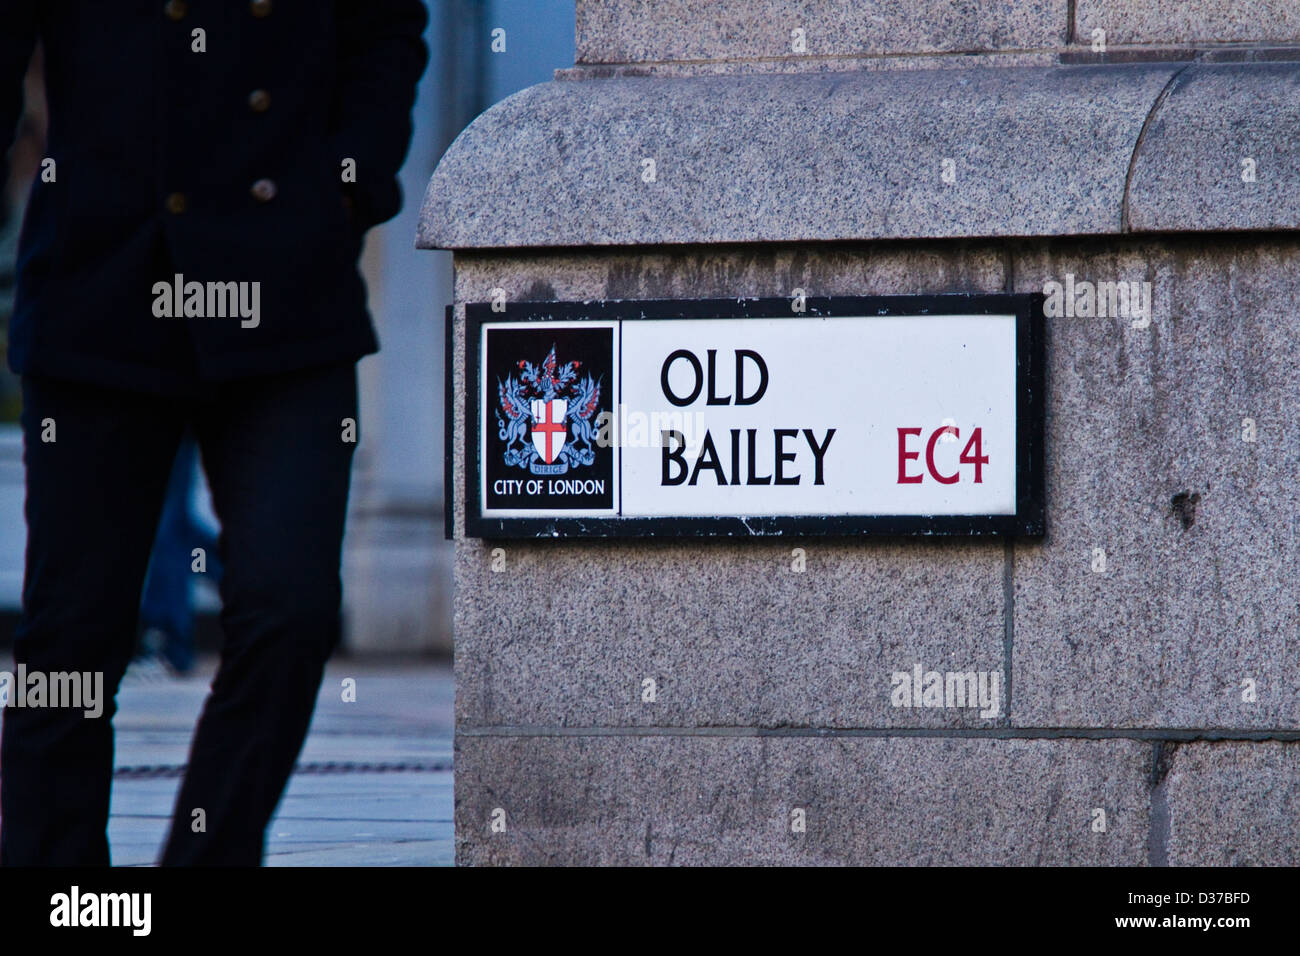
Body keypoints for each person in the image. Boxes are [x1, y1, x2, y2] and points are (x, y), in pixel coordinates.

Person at [0, 1, 428, 866]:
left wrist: (347, 185)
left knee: (293, 610)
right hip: (104, 282)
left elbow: (385, 28)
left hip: (286, 287)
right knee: (74, 635)